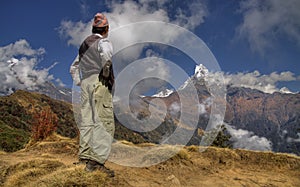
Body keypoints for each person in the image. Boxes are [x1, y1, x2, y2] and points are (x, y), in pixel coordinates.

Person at [70, 13, 115, 177]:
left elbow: (73, 68)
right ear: (106, 29)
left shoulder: (84, 46)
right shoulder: (103, 41)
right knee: (104, 120)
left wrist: (80, 82)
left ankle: (84, 157)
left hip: (86, 83)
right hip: (99, 82)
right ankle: (96, 162)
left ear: (93, 28)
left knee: (87, 120)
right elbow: (107, 57)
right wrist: (105, 71)